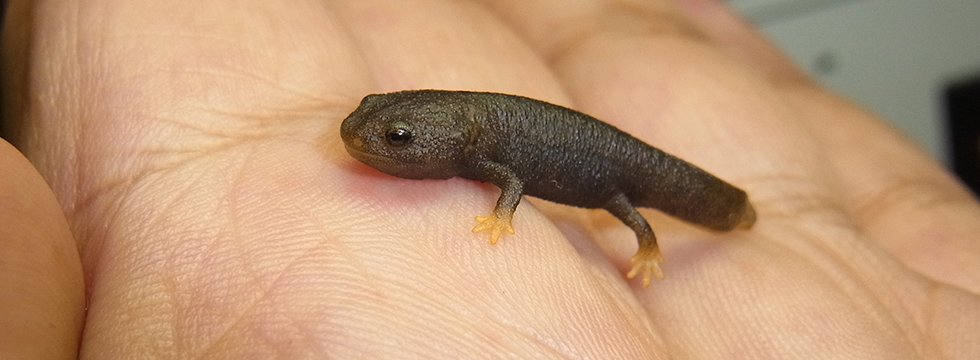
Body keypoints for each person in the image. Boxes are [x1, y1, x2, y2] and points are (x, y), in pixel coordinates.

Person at [2, 0, 978, 358]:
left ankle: (685, 229)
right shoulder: (461, 133)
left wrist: (533, 224)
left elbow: (513, 178)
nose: (370, 145)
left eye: (391, 138)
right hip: (555, 141)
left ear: (438, 140)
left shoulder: (488, 155)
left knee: (633, 203)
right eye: (378, 131)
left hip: (619, 176)